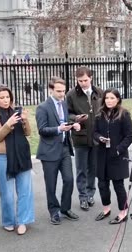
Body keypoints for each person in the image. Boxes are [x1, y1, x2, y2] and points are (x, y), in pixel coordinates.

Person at [0, 85, 35, 235]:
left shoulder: (16, 111)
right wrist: (8, 124)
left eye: (8, 97)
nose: (6, 100)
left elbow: (28, 133)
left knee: (25, 190)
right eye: (2, 98)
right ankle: (8, 220)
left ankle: (23, 221)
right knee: (6, 192)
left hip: (22, 153)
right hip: (4, 155)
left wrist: (25, 121)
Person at [36, 77, 81, 225]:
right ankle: (54, 211)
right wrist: (58, 129)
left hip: (64, 148)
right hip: (49, 151)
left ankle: (65, 208)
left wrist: (73, 125)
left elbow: (65, 119)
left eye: (64, 91)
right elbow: (42, 130)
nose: (62, 94)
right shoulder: (43, 107)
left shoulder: (64, 103)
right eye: (58, 91)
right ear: (51, 90)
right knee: (51, 184)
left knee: (69, 179)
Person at [93, 89, 132, 224]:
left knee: (118, 186)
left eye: (112, 98)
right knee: (102, 184)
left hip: (117, 156)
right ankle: (106, 209)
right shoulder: (100, 114)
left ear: (118, 99)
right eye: (107, 98)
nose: (109, 101)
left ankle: (123, 212)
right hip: (102, 155)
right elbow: (95, 132)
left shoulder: (124, 114)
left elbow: (129, 136)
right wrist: (100, 138)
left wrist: (118, 150)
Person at [66, 66, 103, 211]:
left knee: (92, 168)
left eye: (85, 80)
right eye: (80, 80)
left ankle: (90, 193)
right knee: (81, 169)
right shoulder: (71, 95)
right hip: (80, 137)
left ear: (91, 78)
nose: (83, 83)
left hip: (95, 137)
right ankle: (82, 197)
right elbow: (67, 114)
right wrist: (75, 118)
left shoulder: (99, 92)